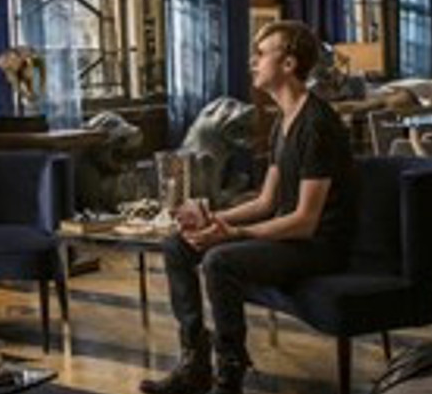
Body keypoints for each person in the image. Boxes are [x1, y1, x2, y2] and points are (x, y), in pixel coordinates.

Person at [140, 21, 355, 394]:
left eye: (261, 54)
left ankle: (230, 373)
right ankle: (194, 363)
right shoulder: (282, 121)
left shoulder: (317, 124)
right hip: (291, 236)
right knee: (176, 244)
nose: (253, 62)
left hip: (319, 246)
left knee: (219, 261)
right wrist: (209, 219)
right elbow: (266, 202)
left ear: (288, 64)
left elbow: (305, 221)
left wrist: (232, 234)